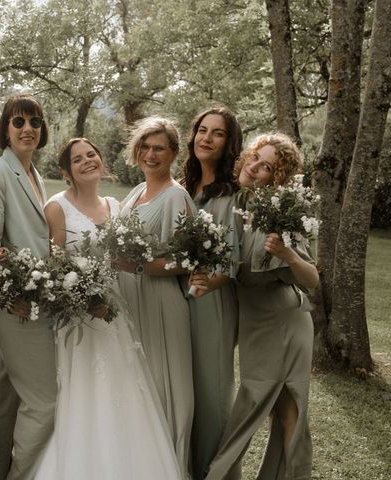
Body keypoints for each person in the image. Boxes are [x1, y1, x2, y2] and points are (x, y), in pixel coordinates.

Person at [33, 138, 183, 479]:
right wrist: (84, 299)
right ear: (66, 172)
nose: (87, 161)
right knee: (86, 392)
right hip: (79, 319)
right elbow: (52, 268)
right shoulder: (56, 207)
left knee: (126, 387)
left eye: (91, 154)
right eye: (77, 159)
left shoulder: (116, 206)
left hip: (117, 314)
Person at [204, 133, 318, 479]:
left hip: (284, 323)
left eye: (266, 166)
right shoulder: (233, 200)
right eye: (254, 157)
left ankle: (216, 475)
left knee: (278, 410)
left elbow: (311, 279)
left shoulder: (282, 211)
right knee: (280, 411)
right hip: (254, 323)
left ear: (277, 177)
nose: (254, 167)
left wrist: (287, 254)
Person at [0, 93, 56, 480]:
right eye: (18, 121)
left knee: (3, 397)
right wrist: (13, 294)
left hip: (41, 299)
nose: (27, 129)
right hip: (16, 303)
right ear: (5, 129)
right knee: (44, 403)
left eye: (34, 122)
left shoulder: (35, 175)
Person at [115, 116, 196, 478]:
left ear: (174, 153)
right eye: (145, 146)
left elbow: (186, 259)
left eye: (159, 148)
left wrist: (140, 267)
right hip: (130, 301)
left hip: (161, 301)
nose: (150, 154)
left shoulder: (175, 196)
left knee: (164, 388)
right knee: (138, 387)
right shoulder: (135, 192)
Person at [179, 104, 243, 480]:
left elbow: (233, 261)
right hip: (176, 300)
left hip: (212, 302)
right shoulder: (184, 186)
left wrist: (207, 281)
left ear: (229, 142)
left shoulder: (233, 194)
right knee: (184, 393)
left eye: (218, 133)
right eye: (203, 130)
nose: (208, 138)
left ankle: (216, 474)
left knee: (213, 395)